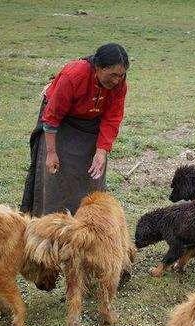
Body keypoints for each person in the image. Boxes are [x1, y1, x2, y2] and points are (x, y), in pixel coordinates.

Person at [20, 43, 129, 216]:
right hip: (61, 123)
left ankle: (86, 224)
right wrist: (51, 152)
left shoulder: (119, 85)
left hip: (91, 124)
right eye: (113, 75)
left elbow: (112, 118)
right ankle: (52, 225)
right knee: (56, 177)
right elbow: (52, 116)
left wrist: (102, 151)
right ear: (98, 68)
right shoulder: (73, 75)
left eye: (121, 75)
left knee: (93, 176)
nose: (116, 80)